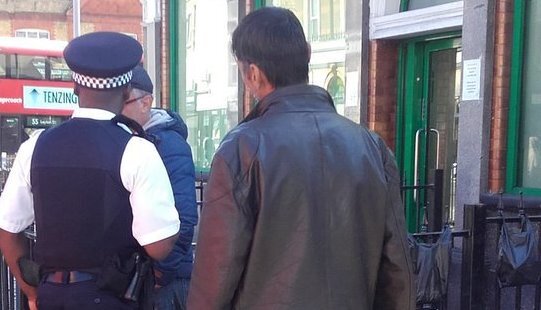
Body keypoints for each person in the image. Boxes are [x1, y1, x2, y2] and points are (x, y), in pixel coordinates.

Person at [187, 7, 414, 310]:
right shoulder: (371, 146)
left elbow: (214, 278)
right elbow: (397, 269)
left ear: (252, 74)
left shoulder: (242, 150)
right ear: (307, 54)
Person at [0, 32, 180, 310]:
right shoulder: (137, 150)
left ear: (75, 87)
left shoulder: (34, 147)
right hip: (112, 298)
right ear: (126, 91)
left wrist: (33, 293)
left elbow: (8, 231)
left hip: (52, 296)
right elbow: (159, 245)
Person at [122, 66, 198, 310]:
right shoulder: (137, 140)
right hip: (146, 275)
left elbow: (185, 218)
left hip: (165, 280)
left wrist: (160, 274)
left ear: (146, 103)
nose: (116, 109)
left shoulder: (169, 145)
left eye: (123, 101)